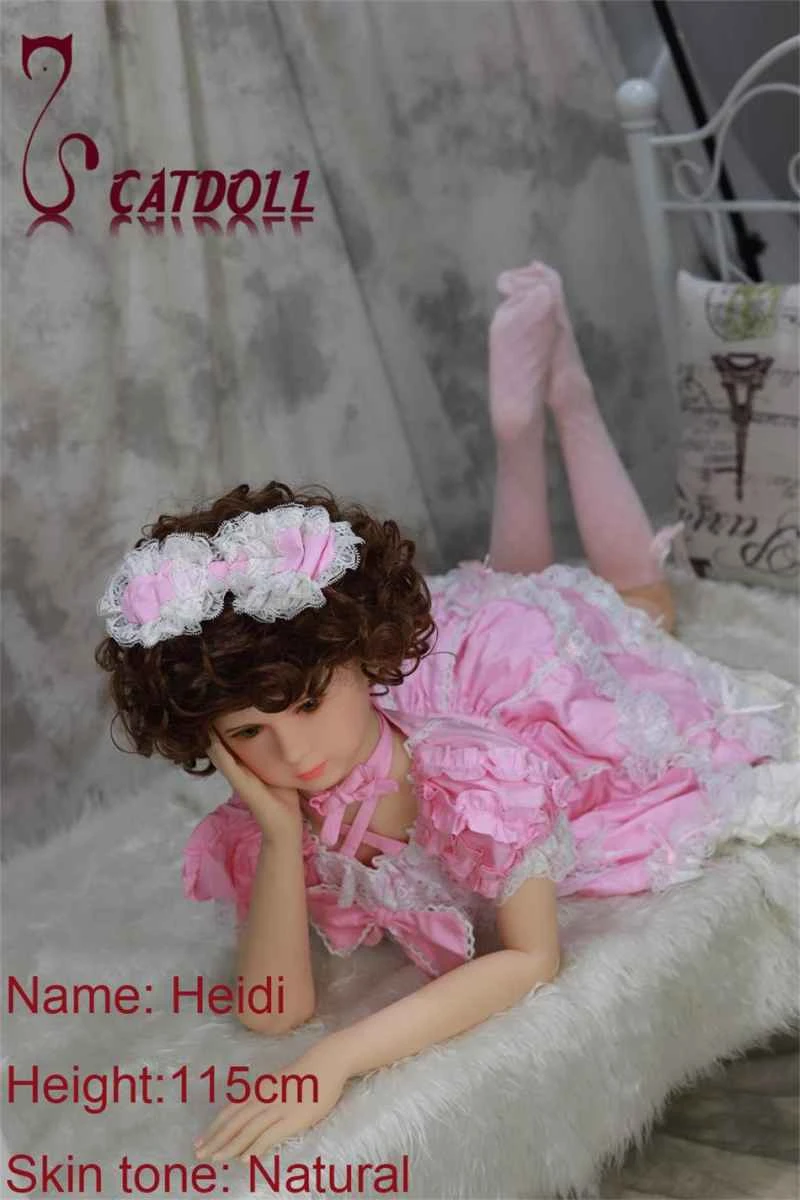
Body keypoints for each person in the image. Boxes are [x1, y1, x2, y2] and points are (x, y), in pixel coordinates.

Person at [95, 261, 794, 1163]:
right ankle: (521, 429)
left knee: (632, 604)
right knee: (511, 576)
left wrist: (339, 1060)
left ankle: (560, 405)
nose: (295, 756)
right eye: (247, 735)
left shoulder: (478, 775)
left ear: (361, 662)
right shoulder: (274, 811)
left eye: (306, 704)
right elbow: (272, 1012)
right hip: (425, 681)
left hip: (498, 672)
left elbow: (531, 959)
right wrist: (276, 834)